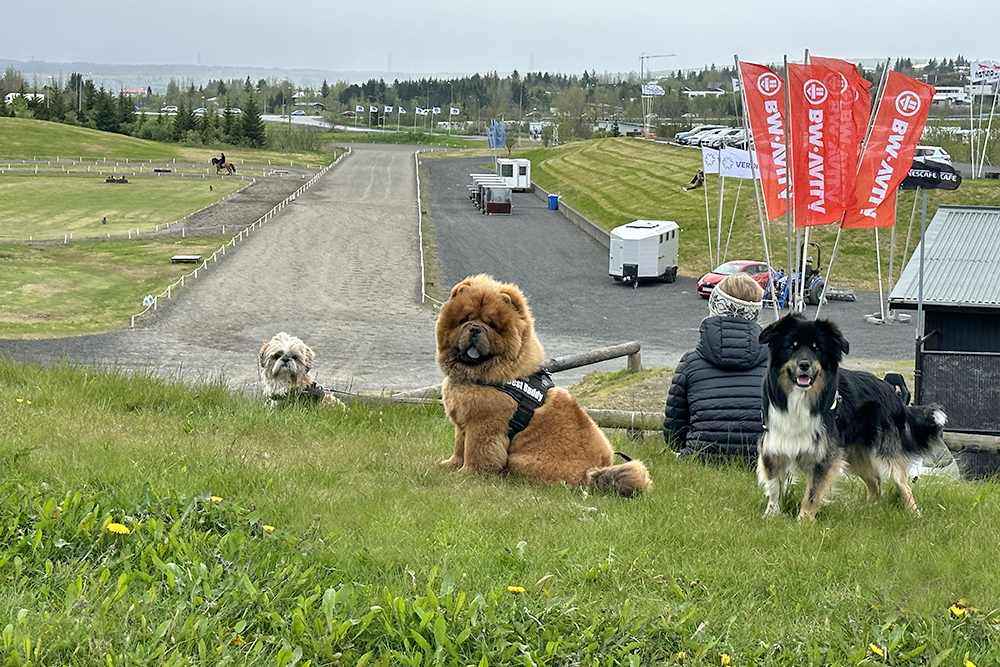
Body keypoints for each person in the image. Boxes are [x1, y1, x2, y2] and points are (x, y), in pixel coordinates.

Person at [663, 272, 768, 462]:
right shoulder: (775, 365)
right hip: (762, 462)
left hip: (698, 459)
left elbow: (674, 433)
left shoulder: (690, 362)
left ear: (715, 306)